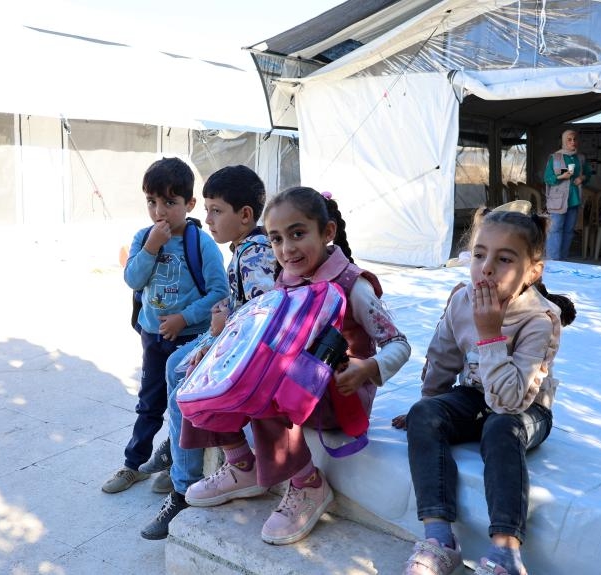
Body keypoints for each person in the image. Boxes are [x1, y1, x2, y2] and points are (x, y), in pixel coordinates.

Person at [181, 186, 412, 546]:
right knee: (207, 377)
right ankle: (242, 464)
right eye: (276, 239)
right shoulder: (284, 278)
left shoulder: (352, 285)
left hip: (342, 392)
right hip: (301, 380)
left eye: (298, 234)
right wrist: (215, 351)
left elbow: (399, 343)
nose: (287, 249)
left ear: (328, 232)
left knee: (270, 386)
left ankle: (309, 485)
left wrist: (367, 370)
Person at [392, 205, 576, 575]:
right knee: (423, 415)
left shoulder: (540, 319)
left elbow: (510, 402)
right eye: (479, 255)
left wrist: (490, 333)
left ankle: (505, 552)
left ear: (532, 272)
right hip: (476, 396)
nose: (486, 268)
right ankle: (439, 539)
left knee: (500, 428)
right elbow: (442, 356)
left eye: (504, 259)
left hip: (526, 408)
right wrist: (431, 406)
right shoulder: (462, 299)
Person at [140, 165, 277, 539]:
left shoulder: (252, 256)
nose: (208, 219)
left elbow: (264, 316)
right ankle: (175, 445)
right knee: (173, 365)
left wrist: (218, 336)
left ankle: (183, 487)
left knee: (183, 374)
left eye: (216, 210)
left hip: (250, 356)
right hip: (230, 335)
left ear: (245, 215)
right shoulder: (245, 249)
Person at [104, 157, 229, 495]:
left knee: (182, 406)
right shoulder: (143, 238)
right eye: (152, 202)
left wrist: (183, 318)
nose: (159, 211)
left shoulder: (200, 243)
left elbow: (220, 291)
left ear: (189, 204)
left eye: (170, 202)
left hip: (190, 338)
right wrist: (150, 248)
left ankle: (176, 461)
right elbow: (132, 278)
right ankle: (134, 465)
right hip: (152, 335)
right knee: (150, 402)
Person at [542, 129, 591, 261]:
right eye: (569, 139)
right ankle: (552, 261)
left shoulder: (580, 158)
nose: (573, 142)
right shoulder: (556, 157)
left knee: (569, 231)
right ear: (563, 141)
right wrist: (561, 176)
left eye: (575, 139)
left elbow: (588, 173)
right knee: (555, 230)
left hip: (574, 200)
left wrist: (583, 178)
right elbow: (548, 178)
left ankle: (562, 261)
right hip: (557, 200)